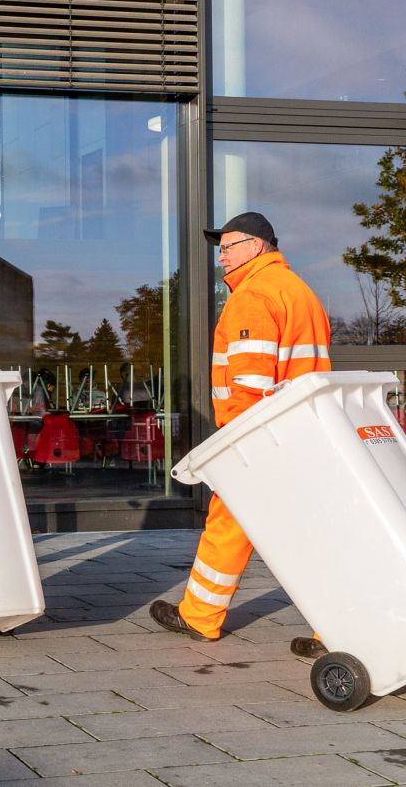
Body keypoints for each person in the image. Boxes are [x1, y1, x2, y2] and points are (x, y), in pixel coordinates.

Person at [148, 211, 332, 659]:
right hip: (302, 433)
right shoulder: (301, 292)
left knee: (227, 525)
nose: (222, 257)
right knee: (310, 533)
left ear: (256, 246)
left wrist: (239, 444)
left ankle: (200, 616)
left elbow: (252, 384)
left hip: (259, 437)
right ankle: (335, 626)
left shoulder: (254, 295)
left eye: (228, 247)